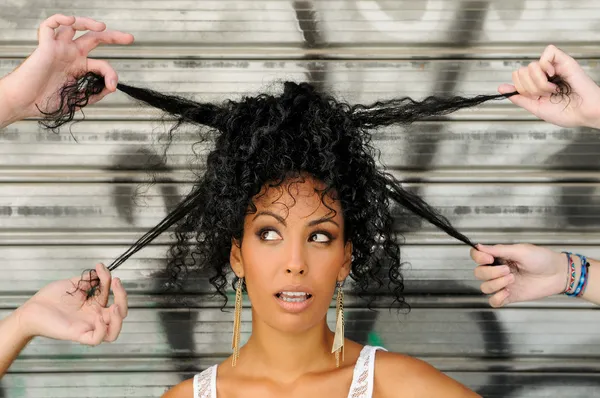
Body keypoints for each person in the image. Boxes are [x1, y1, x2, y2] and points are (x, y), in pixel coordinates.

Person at [1, 14, 599, 398]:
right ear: (235, 253)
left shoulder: (401, 388)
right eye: (267, 233)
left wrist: (578, 275)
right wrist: (20, 325)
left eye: (319, 236)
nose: (294, 262)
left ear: (346, 258)